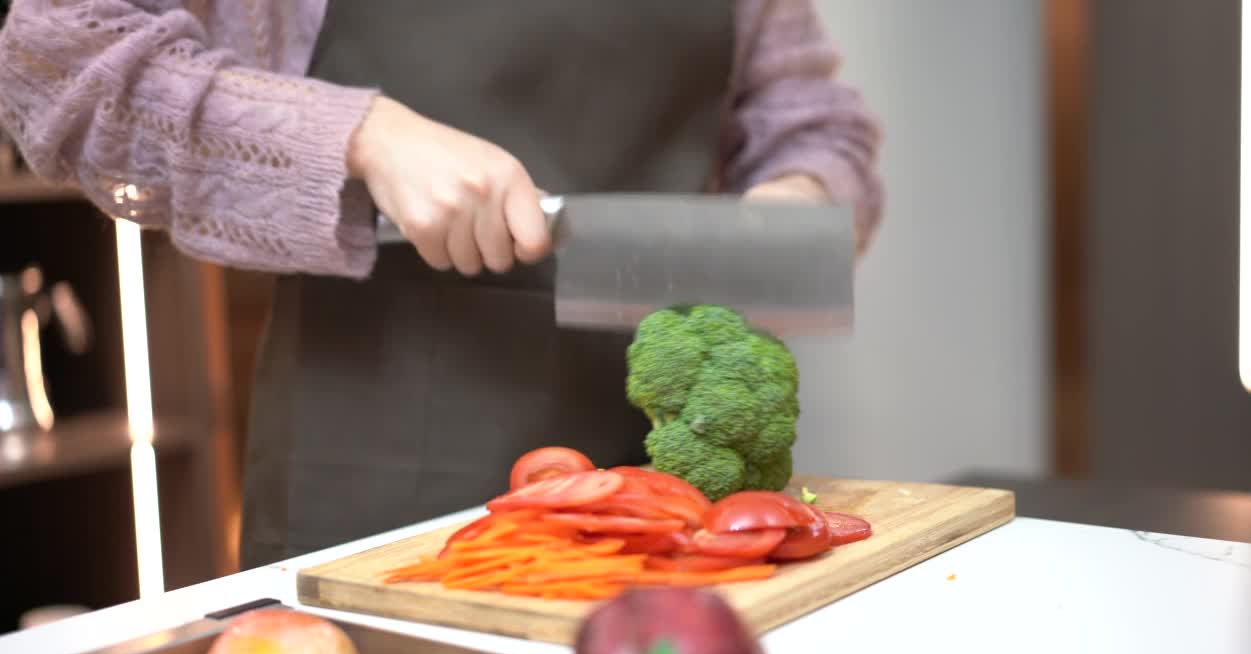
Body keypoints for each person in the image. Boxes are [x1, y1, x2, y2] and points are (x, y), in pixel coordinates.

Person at [0, 0, 884, 570]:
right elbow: (60, 62)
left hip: (669, 489)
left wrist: (799, 193)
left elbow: (807, 113)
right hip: (373, 488)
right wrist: (364, 136)